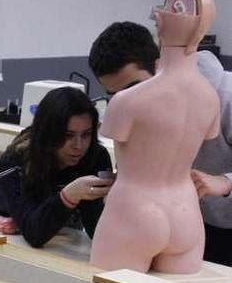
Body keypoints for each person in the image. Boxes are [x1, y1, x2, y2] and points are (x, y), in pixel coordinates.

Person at [90, 21, 232, 267]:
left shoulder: (224, 95)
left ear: (158, 64)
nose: (128, 99)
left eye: (133, 87)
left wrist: (225, 182)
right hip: (176, 217)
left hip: (220, 225)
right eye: (114, 94)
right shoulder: (131, 105)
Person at [0, 87, 114, 248]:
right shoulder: (16, 160)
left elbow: (97, 229)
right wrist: (69, 195)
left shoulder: (96, 156)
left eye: (86, 134)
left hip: (61, 236)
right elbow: (34, 234)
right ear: (49, 133)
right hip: (10, 236)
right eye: (68, 136)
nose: (79, 146)